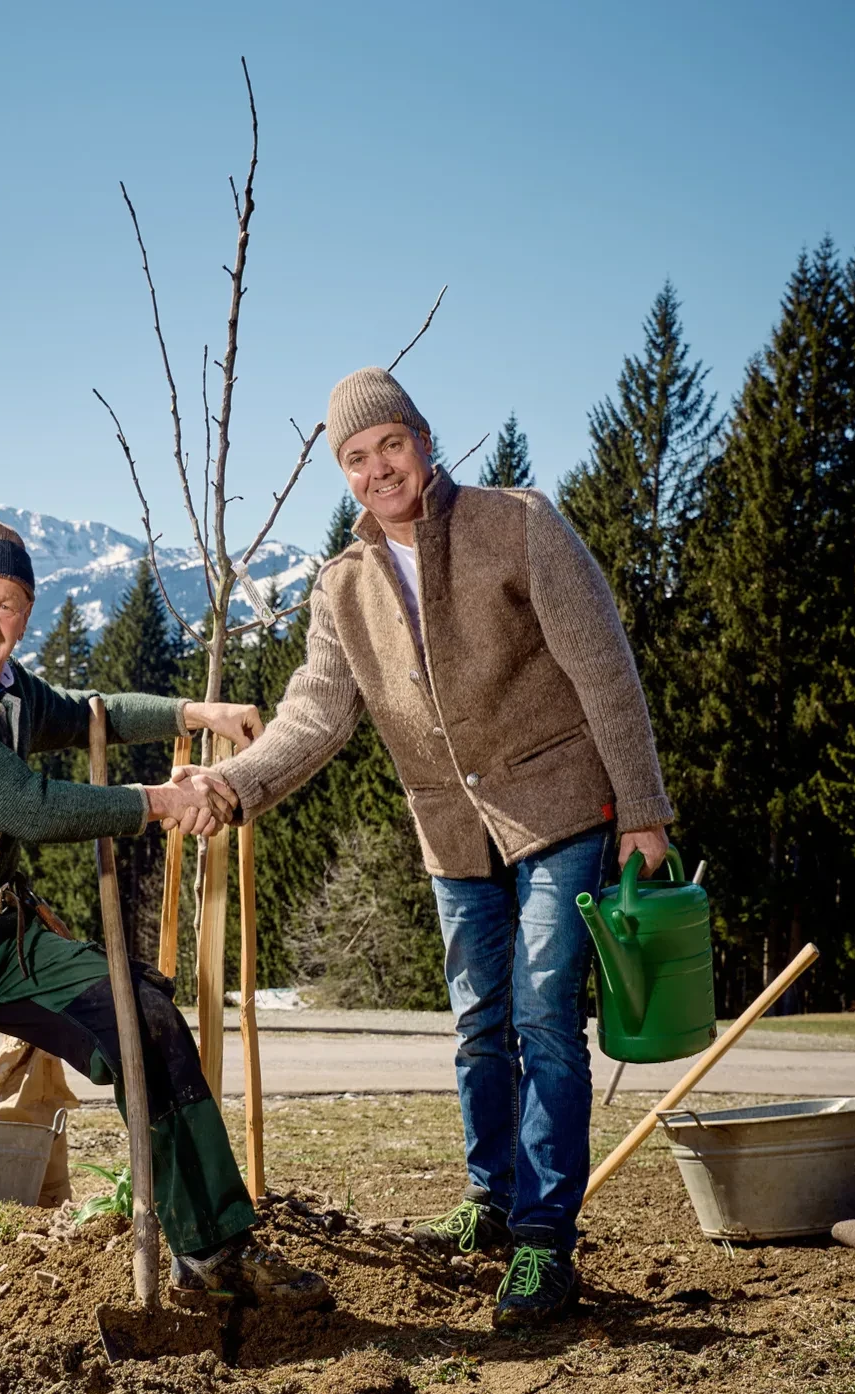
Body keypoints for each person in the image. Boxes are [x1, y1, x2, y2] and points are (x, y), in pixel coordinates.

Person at [0, 514, 328, 1354]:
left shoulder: (5, 693)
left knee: (147, 1025)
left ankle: (213, 1249)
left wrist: (193, 711)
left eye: (8, 605)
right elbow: (27, 808)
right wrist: (160, 801)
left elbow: (87, 715)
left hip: (5, 941)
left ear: (27, 615)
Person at [213, 369, 674, 1328]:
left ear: (423, 441)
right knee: (476, 1023)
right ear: (343, 474)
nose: (379, 468)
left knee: (543, 1012)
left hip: (559, 804)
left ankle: (544, 1241)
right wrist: (233, 784)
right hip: (451, 827)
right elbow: (315, 713)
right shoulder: (343, 586)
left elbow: (604, 667)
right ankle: (491, 1201)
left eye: (391, 444)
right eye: (356, 458)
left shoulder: (520, 523)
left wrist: (642, 805)